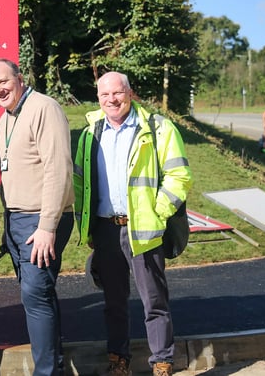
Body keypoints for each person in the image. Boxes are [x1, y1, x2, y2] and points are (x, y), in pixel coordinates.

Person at [73, 71, 193, 376]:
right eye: (104, 95)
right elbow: (79, 182)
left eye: (118, 93)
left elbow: (179, 176)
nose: (111, 100)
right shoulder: (90, 134)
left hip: (143, 229)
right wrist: (85, 226)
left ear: (130, 93)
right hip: (105, 229)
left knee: (153, 299)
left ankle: (162, 362)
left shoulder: (158, 128)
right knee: (113, 302)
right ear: (98, 98)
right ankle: (119, 361)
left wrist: (158, 211)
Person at [0, 58, 75, 376]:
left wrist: (48, 226)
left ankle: (46, 371)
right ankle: (55, 366)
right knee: (40, 296)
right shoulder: (5, 118)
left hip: (41, 220)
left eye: (3, 81)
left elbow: (58, 168)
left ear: (19, 79)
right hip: (17, 220)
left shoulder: (44, 108)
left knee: (35, 294)